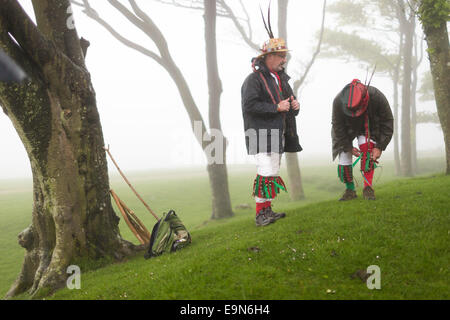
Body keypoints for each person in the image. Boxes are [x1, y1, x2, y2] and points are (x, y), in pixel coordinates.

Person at [241, 26, 302, 226]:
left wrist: (294, 105)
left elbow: (289, 105)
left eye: (284, 56)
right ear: (268, 57)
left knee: (272, 171)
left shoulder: (281, 79)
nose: (284, 60)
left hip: (278, 133)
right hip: (259, 133)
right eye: (280, 56)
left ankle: (267, 210)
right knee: (266, 170)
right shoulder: (252, 80)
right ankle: (260, 215)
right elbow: (249, 105)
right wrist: (276, 107)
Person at [332, 78, 394, 201]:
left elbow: (387, 122)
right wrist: (348, 147)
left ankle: (368, 188)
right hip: (346, 129)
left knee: (368, 150)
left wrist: (380, 146)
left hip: (369, 126)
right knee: (344, 155)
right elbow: (337, 126)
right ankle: (350, 190)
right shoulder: (338, 101)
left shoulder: (377, 97)